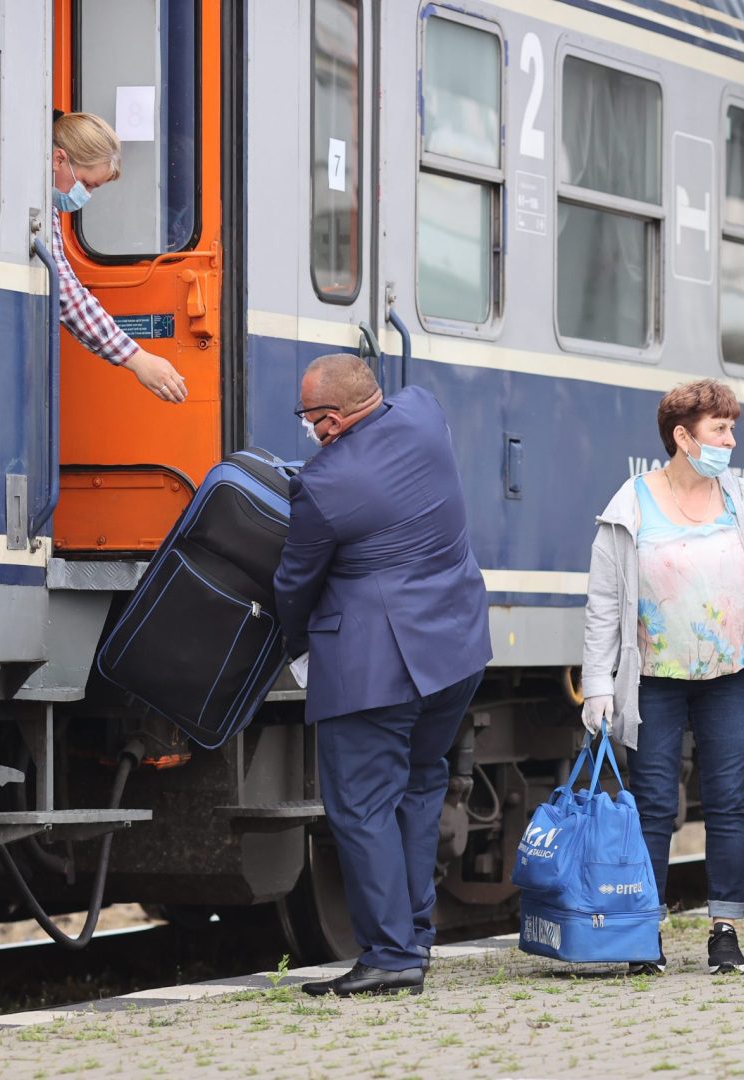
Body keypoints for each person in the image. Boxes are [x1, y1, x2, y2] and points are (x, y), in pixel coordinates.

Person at [579, 379, 744, 977]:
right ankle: (644, 933)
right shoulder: (631, 504)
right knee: (655, 804)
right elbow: (604, 605)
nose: (730, 440)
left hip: (729, 675)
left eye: (731, 428)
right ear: (683, 437)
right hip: (655, 679)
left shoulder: (742, 499)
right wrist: (598, 684)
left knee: (727, 802)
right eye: (720, 430)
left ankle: (724, 931)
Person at [273, 353, 492, 997]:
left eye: (310, 419)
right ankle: (414, 936)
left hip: (375, 667)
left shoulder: (323, 483)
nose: (308, 429)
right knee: (420, 787)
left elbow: (295, 583)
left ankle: (392, 956)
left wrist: (297, 648)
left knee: (362, 806)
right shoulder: (425, 410)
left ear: (333, 421)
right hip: (455, 652)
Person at [50, 112, 187, 404]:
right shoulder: (37, 204)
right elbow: (66, 293)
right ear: (58, 160)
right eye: (87, 184)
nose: (85, 195)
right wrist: (138, 359)